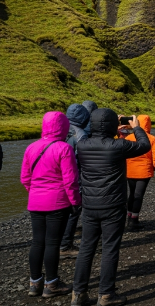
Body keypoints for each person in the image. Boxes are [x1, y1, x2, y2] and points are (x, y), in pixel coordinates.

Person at [72, 110, 151, 306]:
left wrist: (112, 130)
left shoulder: (83, 144)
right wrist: (137, 128)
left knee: (86, 248)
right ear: (110, 126)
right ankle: (106, 294)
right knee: (109, 248)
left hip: (90, 205)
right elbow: (144, 145)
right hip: (113, 206)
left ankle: (78, 293)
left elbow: (97, 136)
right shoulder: (119, 145)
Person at [21, 111, 81, 299]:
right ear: (64, 127)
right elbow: (70, 180)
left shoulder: (31, 147)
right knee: (52, 243)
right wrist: (76, 202)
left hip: (35, 202)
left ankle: (35, 282)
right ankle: (52, 284)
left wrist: (36, 193)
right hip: (57, 202)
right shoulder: (64, 148)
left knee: (37, 241)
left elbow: (25, 177)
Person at [60, 103, 90, 258]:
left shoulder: (61, 129)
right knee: (74, 210)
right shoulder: (81, 134)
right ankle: (65, 246)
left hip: (59, 176)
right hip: (75, 176)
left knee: (62, 211)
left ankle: (60, 243)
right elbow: (83, 159)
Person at [124, 115, 155, 231]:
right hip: (144, 171)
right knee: (138, 195)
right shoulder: (151, 138)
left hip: (130, 171)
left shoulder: (128, 137)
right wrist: (152, 167)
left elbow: (124, 154)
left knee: (132, 194)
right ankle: (134, 220)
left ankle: (129, 216)